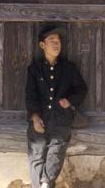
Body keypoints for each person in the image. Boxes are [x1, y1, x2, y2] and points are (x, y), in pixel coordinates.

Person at [25, 25, 88, 188]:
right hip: (41, 118)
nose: (56, 44)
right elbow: (30, 95)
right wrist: (35, 117)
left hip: (61, 119)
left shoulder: (68, 68)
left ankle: (46, 182)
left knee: (56, 152)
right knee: (36, 154)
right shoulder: (35, 69)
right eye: (51, 40)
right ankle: (40, 185)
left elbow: (82, 89)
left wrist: (70, 101)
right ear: (42, 45)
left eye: (58, 41)